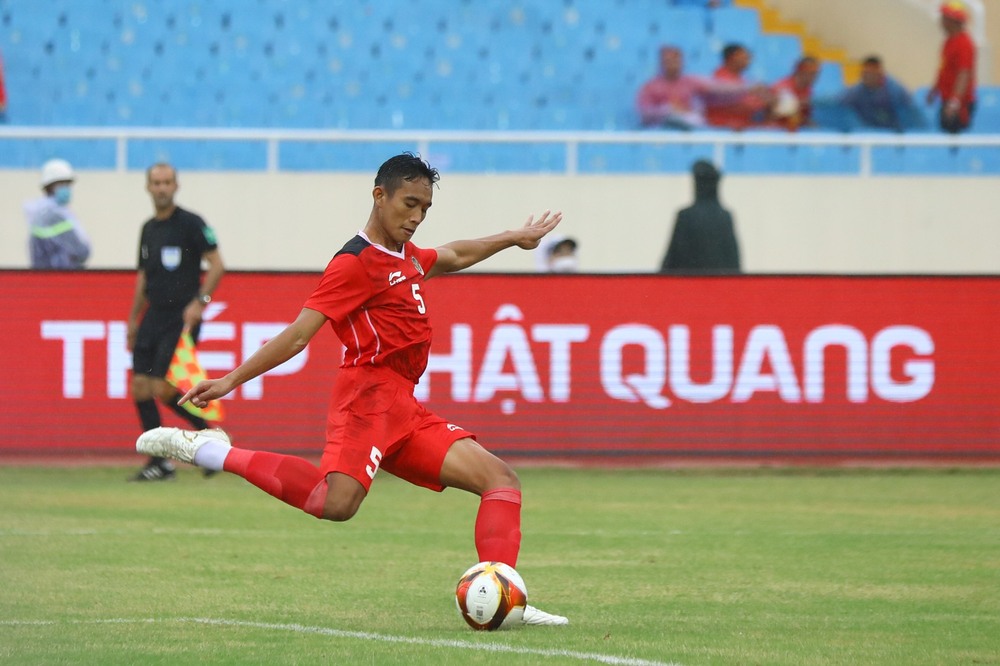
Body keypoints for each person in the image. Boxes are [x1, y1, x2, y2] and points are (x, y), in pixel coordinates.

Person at [136, 153, 570, 626]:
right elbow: (299, 335)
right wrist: (229, 381)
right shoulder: (354, 263)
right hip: (365, 399)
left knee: (500, 481)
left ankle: (504, 594)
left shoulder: (406, 255)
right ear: (378, 195)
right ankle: (210, 450)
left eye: (425, 208)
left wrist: (513, 237)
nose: (416, 216)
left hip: (403, 404)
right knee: (335, 503)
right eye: (409, 203)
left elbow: (455, 254)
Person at [128, 162, 226, 482]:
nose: (161, 188)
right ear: (147, 187)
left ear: (176, 186)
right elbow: (144, 276)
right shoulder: (147, 228)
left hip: (180, 316)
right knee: (141, 387)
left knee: (162, 386)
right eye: (156, 182)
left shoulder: (191, 223)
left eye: (167, 182)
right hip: (153, 315)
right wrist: (133, 319)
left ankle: (209, 439)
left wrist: (200, 302)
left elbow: (217, 265)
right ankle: (160, 463)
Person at [637, 45, 769, 130]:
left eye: (676, 60)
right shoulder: (650, 87)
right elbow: (644, 114)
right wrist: (667, 109)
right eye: (668, 61)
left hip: (690, 125)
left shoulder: (690, 81)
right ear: (661, 63)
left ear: (682, 61)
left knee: (696, 120)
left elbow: (718, 87)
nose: (673, 64)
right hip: (660, 128)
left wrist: (748, 88)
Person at [660, 159, 741, 273]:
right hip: (718, 286)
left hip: (689, 286)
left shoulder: (686, 216)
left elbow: (671, 260)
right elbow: (734, 262)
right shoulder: (725, 217)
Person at [23, 159, 91, 269]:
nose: (67, 189)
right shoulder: (53, 217)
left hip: (44, 277)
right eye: (62, 184)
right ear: (49, 187)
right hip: (60, 278)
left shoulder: (39, 213)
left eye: (68, 184)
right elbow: (82, 251)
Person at [836, 56, 926, 131]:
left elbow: (911, 116)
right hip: (868, 134)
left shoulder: (896, 92)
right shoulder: (857, 91)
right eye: (864, 73)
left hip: (894, 135)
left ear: (880, 73)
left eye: (870, 73)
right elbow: (837, 104)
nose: (867, 77)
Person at [927, 0, 976, 133]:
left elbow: (964, 74)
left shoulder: (964, 44)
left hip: (959, 104)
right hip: (947, 99)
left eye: (944, 18)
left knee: (954, 136)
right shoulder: (949, 41)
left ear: (952, 21)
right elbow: (944, 69)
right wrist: (934, 90)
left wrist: (955, 102)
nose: (941, 22)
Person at [704, 43, 774, 130]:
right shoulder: (720, 79)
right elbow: (736, 105)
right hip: (723, 129)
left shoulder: (742, 80)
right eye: (744, 55)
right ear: (732, 57)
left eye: (748, 56)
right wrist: (765, 102)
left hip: (742, 127)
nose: (748, 59)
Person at [770, 56, 820, 130]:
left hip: (794, 131)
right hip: (777, 132)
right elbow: (780, 113)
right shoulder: (782, 87)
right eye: (811, 73)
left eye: (816, 73)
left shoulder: (807, 89)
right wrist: (797, 104)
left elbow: (803, 117)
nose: (814, 77)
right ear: (799, 70)